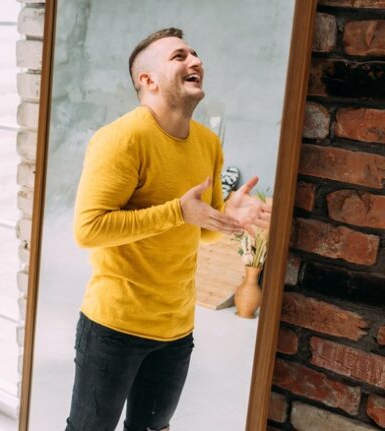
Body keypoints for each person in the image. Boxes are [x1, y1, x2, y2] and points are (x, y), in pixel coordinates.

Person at [65, 28, 271, 431]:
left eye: (195, 53)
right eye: (179, 56)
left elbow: (201, 229)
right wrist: (176, 211)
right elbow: (88, 229)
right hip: (113, 326)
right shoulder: (121, 139)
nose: (195, 61)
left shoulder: (208, 143)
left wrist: (227, 216)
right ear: (148, 80)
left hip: (176, 330)